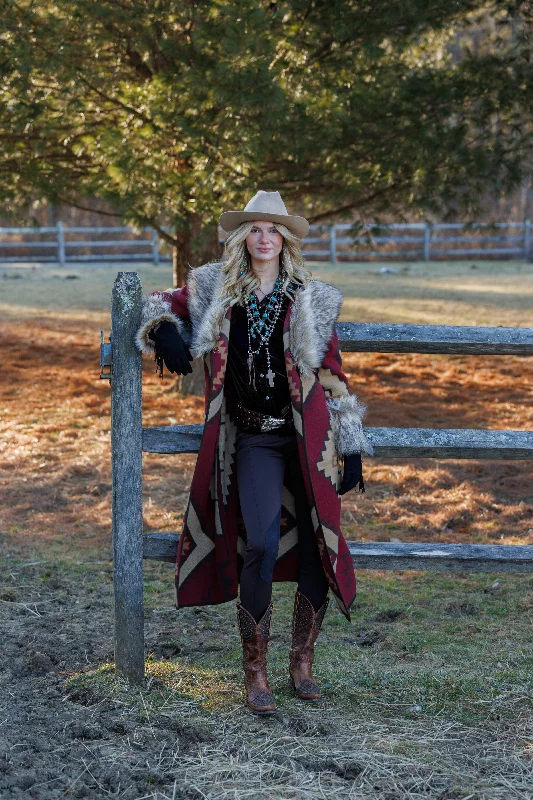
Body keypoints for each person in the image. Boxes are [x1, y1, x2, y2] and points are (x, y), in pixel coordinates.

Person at [136, 190, 373, 714]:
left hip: (308, 439)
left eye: (274, 230)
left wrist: (350, 444)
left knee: (317, 542)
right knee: (261, 542)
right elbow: (155, 302)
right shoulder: (213, 288)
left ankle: (302, 662)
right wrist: (165, 330)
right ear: (243, 238)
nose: (264, 238)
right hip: (253, 438)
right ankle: (256, 669)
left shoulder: (311, 296)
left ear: (285, 240)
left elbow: (332, 375)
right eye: (255, 230)